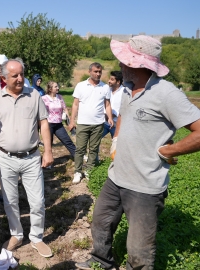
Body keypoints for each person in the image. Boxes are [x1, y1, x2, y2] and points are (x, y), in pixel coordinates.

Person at [75, 35, 200, 270]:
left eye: (124, 61)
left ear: (137, 64)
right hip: (116, 177)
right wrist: (117, 140)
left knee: (139, 248)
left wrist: (169, 149)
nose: (120, 65)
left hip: (145, 186)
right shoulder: (127, 89)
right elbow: (122, 114)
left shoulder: (167, 94)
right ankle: (101, 260)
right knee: (100, 223)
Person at [0, 59, 54, 258]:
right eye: (15, 75)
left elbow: (44, 123)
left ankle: (37, 237)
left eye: (22, 74)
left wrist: (48, 151)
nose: (20, 78)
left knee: (37, 201)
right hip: (5, 158)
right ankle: (16, 234)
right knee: (10, 201)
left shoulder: (33, 95)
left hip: (31, 157)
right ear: (4, 78)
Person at [69, 62, 113, 184]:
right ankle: (78, 171)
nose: (98, 74)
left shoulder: (105, 87)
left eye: (100, 72)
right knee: (80, 149)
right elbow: (75, 104)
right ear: (90, 72)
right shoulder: (81, 86)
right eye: (95, 71)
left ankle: (89, 169)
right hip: (83, 123)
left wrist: (109, 117)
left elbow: (107, 105)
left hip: (98, 123)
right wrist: (72, 120)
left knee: (94, 149)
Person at [42, 81, 76, 158]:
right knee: (48, 145)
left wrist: (69, 121)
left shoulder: (59, 97)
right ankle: (47, 163)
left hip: (59, 124)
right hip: (48, 124)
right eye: (55, 87)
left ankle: (78, 157)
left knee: (68, 141)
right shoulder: (44, 98)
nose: (58, 88)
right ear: (50, 89)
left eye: (57, 86)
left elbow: (65, 109)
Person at [102, 71, 124, 138]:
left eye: (112, 79)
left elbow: (126, 108)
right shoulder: (106, 90)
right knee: (94, 141)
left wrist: (114, 115)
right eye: (109, 79)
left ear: (118, 82)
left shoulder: (124, 92)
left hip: (116, 124)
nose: (109, 81)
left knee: (116, 145)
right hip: (104, 122)